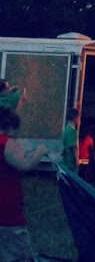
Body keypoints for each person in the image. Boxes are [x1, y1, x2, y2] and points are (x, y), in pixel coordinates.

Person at [1, 108, 51, 262]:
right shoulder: (8, 143)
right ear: (10, 128)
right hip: (7, 212)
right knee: (17, 255)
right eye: (17, 131)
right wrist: (40, 152)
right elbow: (25, 164)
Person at [60, 107, 79, 174]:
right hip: (71, 161)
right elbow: (73, 147)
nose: (78, 119)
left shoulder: (66, 128)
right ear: (75, 118)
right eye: (78, 117)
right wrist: (77, 160)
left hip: (65, 159)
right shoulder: (72, 131)